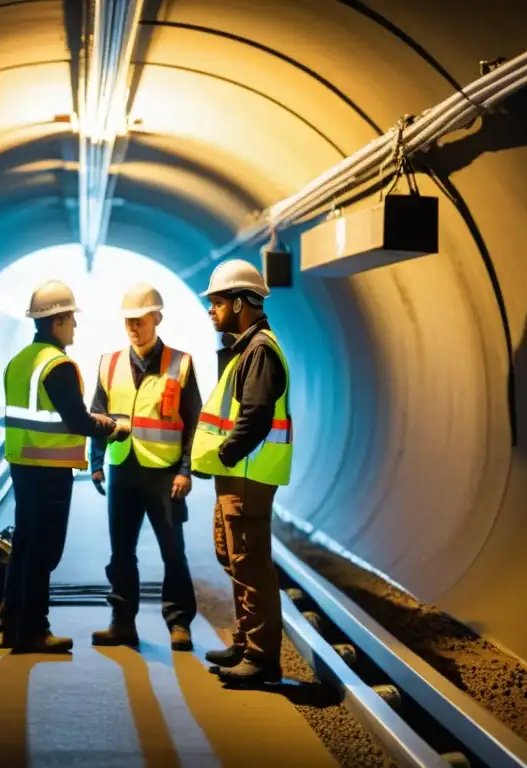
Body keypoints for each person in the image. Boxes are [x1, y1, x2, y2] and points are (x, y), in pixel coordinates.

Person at [2, 279, 127, 654]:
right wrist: (113, 427)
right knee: (44, 552)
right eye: (71, 318)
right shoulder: (58, 365)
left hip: (22, 465)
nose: (74, 325)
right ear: (57, 321)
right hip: (49, 472)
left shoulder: (19, 361)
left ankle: (13, 626)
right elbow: (78, 421)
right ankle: (34, 632)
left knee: (24, 545)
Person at [190, 259, 293, 684]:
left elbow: (255, 417)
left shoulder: (260, 351)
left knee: (250, 564)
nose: (211, 311)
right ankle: (246, 641)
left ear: (238, 304)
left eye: (216, 303)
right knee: (231, 556)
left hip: (248, 476)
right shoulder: (244, 350)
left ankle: (263, 658)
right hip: (236, 477)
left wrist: (227, 455)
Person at [88, 283, 202, 651]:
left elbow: (193, 421)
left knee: (173, 552)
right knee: (121, 553)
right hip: (123, 469)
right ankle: (122, 623)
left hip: (165, 474)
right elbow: (97, 415)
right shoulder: (110, 363)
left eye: (139, 320)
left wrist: (186, 470)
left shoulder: (180, 364)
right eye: (128, 322)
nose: (133, 327)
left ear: (157, 318)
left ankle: (179, 623)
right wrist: (96, 461)